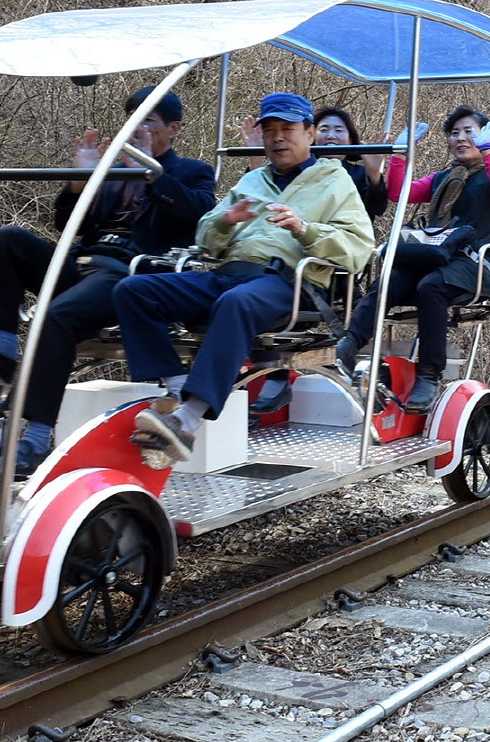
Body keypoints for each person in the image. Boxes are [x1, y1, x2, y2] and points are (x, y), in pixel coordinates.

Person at [0, 86, 217, 474]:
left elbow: (201, 214)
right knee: (8, 239)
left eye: (148, 120)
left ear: (174, 129)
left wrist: (153, 172)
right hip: (82, 264)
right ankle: (3, 346)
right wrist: (80, 181)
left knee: (56, 316)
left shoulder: (191, 172)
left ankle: (37, 438)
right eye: (131, 119)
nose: (136, 127)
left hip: (128, 274)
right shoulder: (112, 171)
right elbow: (67, 225)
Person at [116, 93, 375, 466]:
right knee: (134, 290)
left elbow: (358, 248)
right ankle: (176, 387)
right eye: (270, 131)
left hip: (289, 283)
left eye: (287, 129)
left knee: (237, 302)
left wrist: (305, 229)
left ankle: (188, 420)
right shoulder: (253, 179)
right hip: (229, 274)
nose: (277, 138)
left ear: (310, 133)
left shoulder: (335, 181)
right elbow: (206, 236)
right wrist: (224, 222)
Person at [335, 105, 490, 413]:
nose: (461, 138)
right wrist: (400, 155)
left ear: (485, 136)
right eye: (455, 133)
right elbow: (399, 193)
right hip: (437, 256)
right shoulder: (444, 177)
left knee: (431, 286)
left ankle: (429, 373)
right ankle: (350, 343)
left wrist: (489, 151)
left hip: (473, 265)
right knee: (390, 279)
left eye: (469, 132)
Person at [241, 105, 381, 415]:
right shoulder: (288, 173)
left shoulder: (352, 174)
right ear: (313, 135)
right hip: (284, 258)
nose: (331, 136)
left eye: (339, 130)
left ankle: (342, 366)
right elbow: (259, 210)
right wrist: (255, 159)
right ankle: (265, 379)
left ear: (350, 139)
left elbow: (375, 208)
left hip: (334, 266)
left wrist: (374, 174)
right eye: (325, 129)